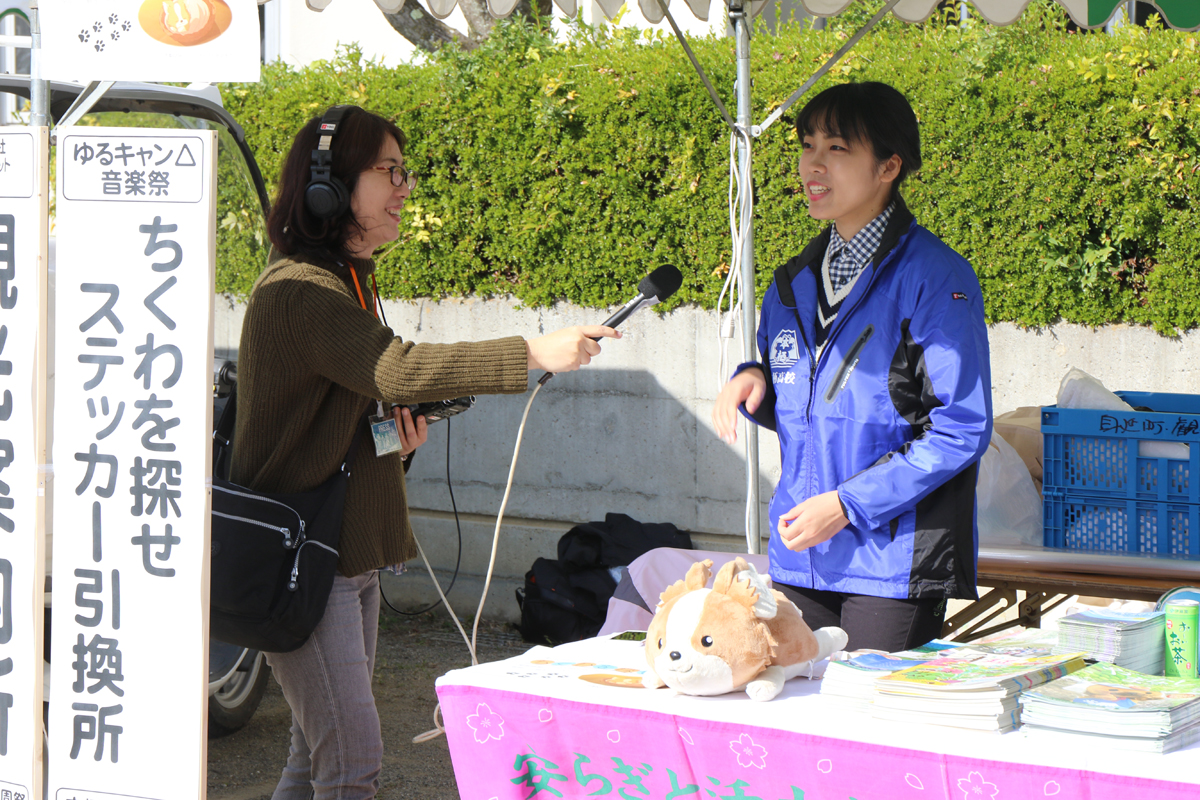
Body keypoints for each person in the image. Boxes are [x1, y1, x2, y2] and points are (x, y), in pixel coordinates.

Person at [230, 105, 619, 799]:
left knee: (313, 759)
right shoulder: (299, 289)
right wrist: (532, 349)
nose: (405, 186)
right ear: (329, 184)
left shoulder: (345, 282)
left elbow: (348, 416)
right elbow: (397, 369)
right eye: (390, 171)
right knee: (351, 768)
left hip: (343, 557)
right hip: (310, 565)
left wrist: (394, 441)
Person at [712, 82, 992, 654]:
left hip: (891, 560)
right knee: (792, 715)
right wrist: (757, 381)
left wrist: (846, 505)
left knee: (866, 724)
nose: (812, 164)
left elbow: (961, 426)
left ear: (889, 166)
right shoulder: (791, 284)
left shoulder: (936, 276)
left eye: (836, 149)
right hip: (801, 550)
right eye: (808, 144)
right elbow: (810, 398)